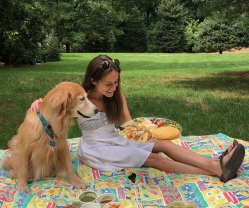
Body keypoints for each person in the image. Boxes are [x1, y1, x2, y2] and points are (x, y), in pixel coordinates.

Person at [31, 55, 245, 183]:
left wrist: (146, 134)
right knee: (156, 160)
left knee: (164, 145)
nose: (113, 88)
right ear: (94, 81)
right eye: (108, 84)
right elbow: (53, 104)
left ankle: (215, 165)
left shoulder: (115, 95)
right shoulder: (80, 99)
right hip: (97, 148)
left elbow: (128, 125)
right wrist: (39, 102)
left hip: (116, 138)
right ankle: (216, 169)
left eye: (116, 82)